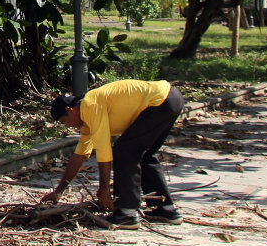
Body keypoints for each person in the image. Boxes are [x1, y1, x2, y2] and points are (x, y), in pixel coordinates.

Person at [41, 79, 185, 228]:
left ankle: (127, 213)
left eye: (65, 121)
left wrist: (104, 190)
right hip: (171, 98)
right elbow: (79, 156)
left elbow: (104, 152)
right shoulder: (88, 119)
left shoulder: (90, 105)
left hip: (159, 101)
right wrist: (59, 191)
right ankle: (166, 209)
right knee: (144, 154)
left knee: (125, 150)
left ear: (70, 110)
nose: (68, 126)